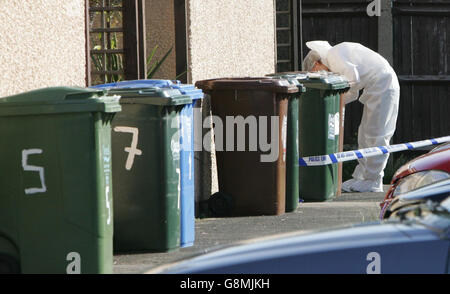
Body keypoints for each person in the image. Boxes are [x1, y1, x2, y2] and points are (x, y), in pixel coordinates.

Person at [303, 41, 400, 193]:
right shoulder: (335, 55)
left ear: (317, 62)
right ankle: (362, 177)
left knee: (377, 134)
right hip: (378, 84)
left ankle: (373, 180)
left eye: (315, 70)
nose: (319, 74)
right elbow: (351, 87)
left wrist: (334, 102)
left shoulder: (334, 55)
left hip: (384, 84)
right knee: (365, 134)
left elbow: (352, 82)